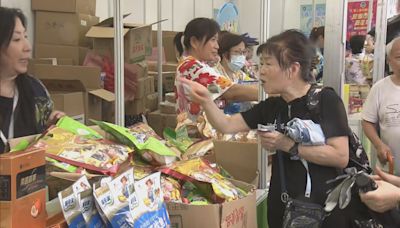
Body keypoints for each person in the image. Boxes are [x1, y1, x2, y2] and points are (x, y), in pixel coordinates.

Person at [179, 29, 351, 227]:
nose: (261, 71)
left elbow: (340, 155)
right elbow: (226, 125)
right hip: (282, 204)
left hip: (323, 208)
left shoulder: (325, 100)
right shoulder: (272, 106)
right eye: (261, 64)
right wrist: (207, 101)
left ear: (293, 69)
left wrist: (289, 145)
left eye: (268, 64)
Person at [174, 18, 258, 137]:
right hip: (196, 135)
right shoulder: (192, 66)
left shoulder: (195, 65)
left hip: (199, 133)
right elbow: (231, 92)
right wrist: (269, 93)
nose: (217, 46)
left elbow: (216, 89)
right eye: (213, 40)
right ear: (194, 42)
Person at [0, 7, 63, 153]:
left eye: (25, 37)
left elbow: (45, 144)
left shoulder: (36, 90)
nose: (27, 47)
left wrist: (52, 127)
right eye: (16, 39)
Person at [362, 36, 400, 175]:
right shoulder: (380, 88)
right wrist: (379, 145)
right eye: (399, 57)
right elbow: (367, 121)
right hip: (389, 170)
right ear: (389, 61)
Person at [214, 31, 258, 113]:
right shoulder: (215, 74)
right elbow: (232, 92)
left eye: (243, 52)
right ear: (225, 54)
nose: (241, 56)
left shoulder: (239, 74)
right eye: (237, 52)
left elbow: (252, 85)